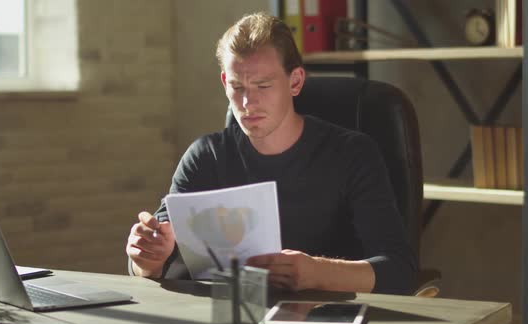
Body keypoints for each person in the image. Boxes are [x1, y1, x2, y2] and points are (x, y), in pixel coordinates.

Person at [126, 12, 417, 295]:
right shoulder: (205, 157)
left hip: (327, 318)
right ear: (225, 83)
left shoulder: (353, 153)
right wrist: (147, 260)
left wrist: (316, 272)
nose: (248, 103)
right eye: (237, 87)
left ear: (295, 82)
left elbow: (399, 272)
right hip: (232, 317)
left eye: (263, 86)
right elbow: (153, 263)